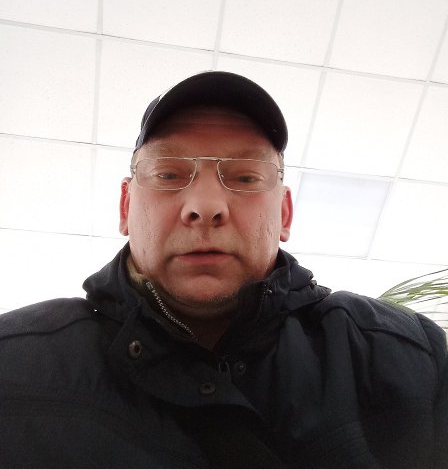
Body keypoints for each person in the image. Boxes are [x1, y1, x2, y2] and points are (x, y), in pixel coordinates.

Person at [0, 71, 446, 469]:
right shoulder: (15, 364)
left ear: (284, 213)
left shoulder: (406, 358)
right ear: (125, 207)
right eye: (169, 175)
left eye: (246, 177)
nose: (206, 206)